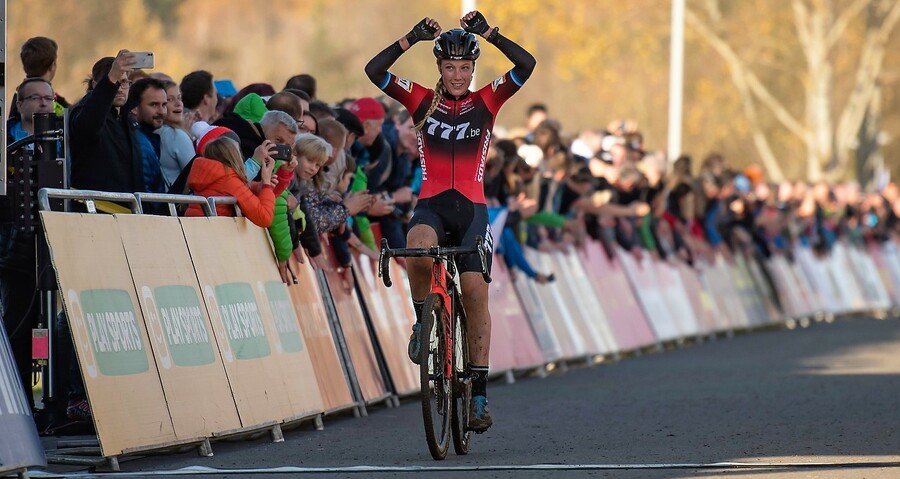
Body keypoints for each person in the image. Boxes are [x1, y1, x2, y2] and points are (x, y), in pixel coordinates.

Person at [365, 10, 535, 433]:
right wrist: (411, 38)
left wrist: (490, 33)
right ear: (438, 68)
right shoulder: (422, 100)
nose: (457, 75)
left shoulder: (488, 100)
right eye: (449, 67)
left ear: (473, 69)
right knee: (419, 248)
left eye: (464, 68)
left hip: (473, 211)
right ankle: (424, 320)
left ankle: (478, 393)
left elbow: (527, 65)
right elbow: (374, 70)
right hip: (432, 205)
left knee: (476, 292)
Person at [184, 136, 291, 227]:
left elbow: (239, 187)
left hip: (194, 227)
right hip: (211, 232)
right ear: (235, 157)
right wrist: (266, 184)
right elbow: (264, 217)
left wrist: (260, 186)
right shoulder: (229, 181)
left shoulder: (210, 175)